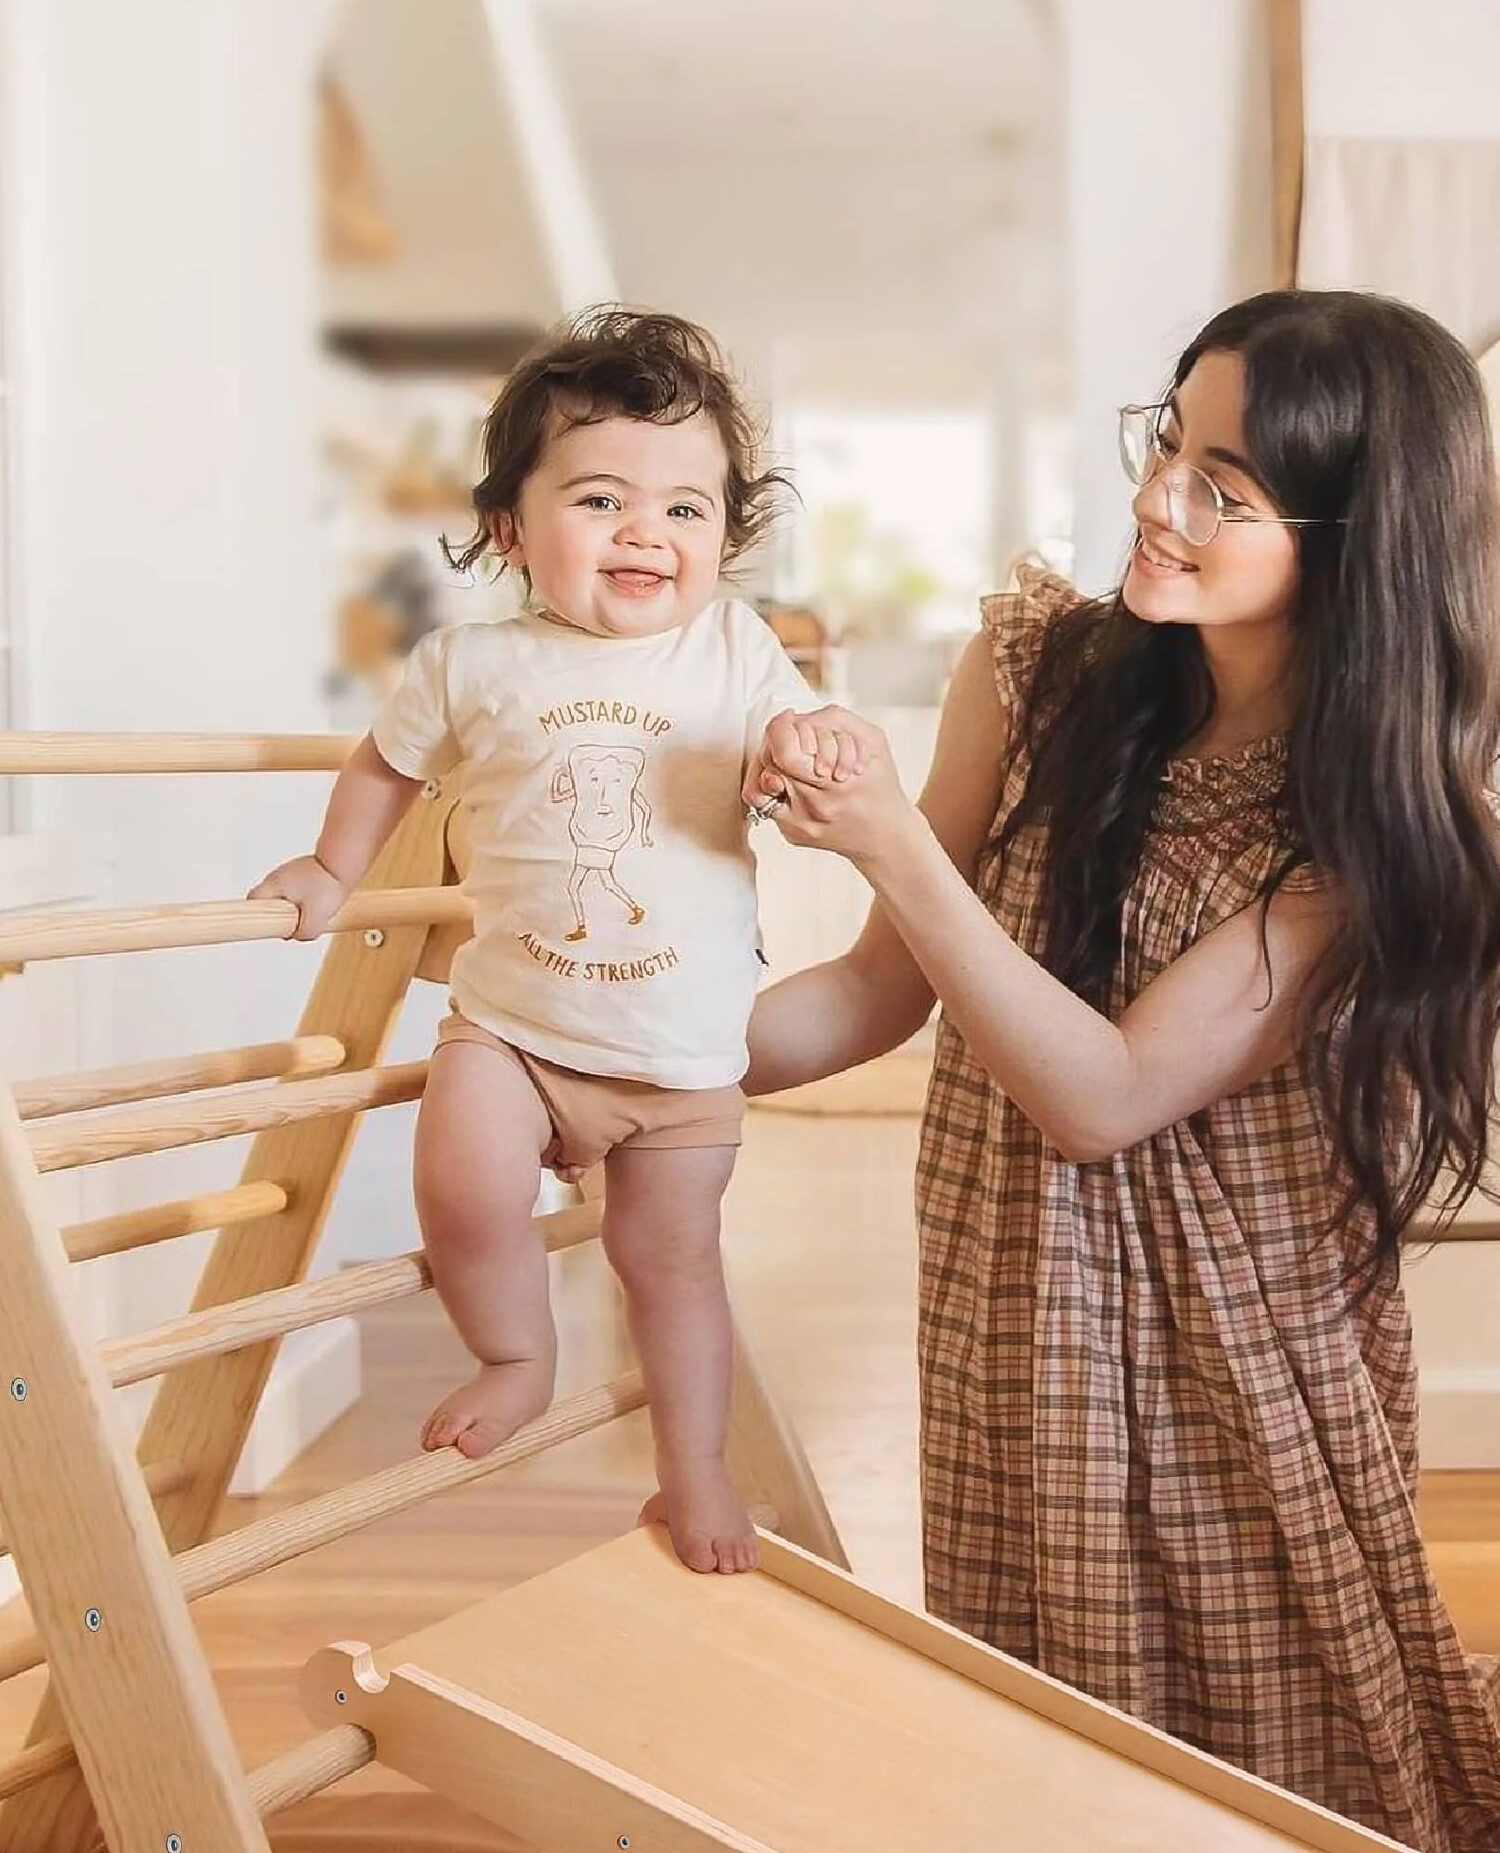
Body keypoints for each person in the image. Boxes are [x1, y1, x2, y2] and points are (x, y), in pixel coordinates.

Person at [743, 290, 1500, 1847]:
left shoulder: (1359, 832)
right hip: (1014, 1315)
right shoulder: (1035, 678)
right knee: (1039, 1747)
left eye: (1224, 486)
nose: (1158, 501)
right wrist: (630, 1058)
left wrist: (887, 841)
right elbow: (879, 993)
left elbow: (1103, 1095)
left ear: (1356, 538)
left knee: (1269, 1762)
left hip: (1241, 1360)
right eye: (1168, 444)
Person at [251, 308, 854, 1575]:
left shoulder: (735, 651)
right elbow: (383, 768)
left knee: (675, 1269)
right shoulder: (471, 663)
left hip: (685, 1061)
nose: (649, 530)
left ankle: (695, 1469)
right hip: (513, 1031)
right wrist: (329, 864)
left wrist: (802, 751)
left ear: (723, 541)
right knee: (464, 1188)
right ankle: (516, 1350)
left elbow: (796, 742)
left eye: (688, 510)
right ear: (514, 530)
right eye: (602, 497)